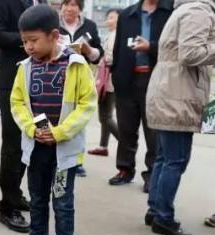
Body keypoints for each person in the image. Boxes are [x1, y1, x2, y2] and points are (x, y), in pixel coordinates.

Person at [11, 5, 97, 235]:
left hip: (64, 153)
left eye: (34, 40)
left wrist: (60, 132)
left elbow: (86, 104)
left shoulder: (76, 64)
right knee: (37, 199)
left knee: (62, 201)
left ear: (54, 35)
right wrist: (29, 127)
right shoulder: (24, 68)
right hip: (36, 150)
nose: (28, 47)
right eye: (24, 41)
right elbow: (17, 102)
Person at [144, 0, 215, 235]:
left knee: (165, 158)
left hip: (170, 91)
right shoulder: (199, 11)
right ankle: (164, 217)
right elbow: (191, 53)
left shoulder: (184, 9)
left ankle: (155, 210)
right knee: (176, 160)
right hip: (178, 95)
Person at [0, 0, 46, 233]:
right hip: (11, 80)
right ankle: (7, 206)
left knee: (31, 140)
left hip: (40, 79)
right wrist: (32, 40)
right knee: (13, 144)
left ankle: (17, 193)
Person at [108, 0, 172, 193]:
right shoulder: (127, 14)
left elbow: (174, 47)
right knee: (126, 129)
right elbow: (119, 47)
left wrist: (150, 47)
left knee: (153, 132)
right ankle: (124, 169)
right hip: (127, 79)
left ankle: (152, 174)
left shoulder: (170, 12)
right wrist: (116, 74)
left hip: (156, 80)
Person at [59, 0, 103, 178]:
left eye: (74, 5)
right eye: (66, 4)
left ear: (80, 9)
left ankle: (77, 161)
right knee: (59, 117)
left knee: (79, 121)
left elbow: (98, 55)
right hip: (58, 78)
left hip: (81, 79)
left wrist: (88, 49)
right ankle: (58, 157)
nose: (70, 8)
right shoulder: (53, 25)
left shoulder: (90, 26)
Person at [89, 9, 120, 157]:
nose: (108, 21)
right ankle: (103, 146)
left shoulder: (116, 35)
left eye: (112, 18)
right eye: (108, 18)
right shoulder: (111, 35)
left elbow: (111, 57)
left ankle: (125, 142)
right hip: (107, 79)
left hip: (110, 81)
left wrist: (103, 60)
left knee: (105, 116)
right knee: (105, 114)